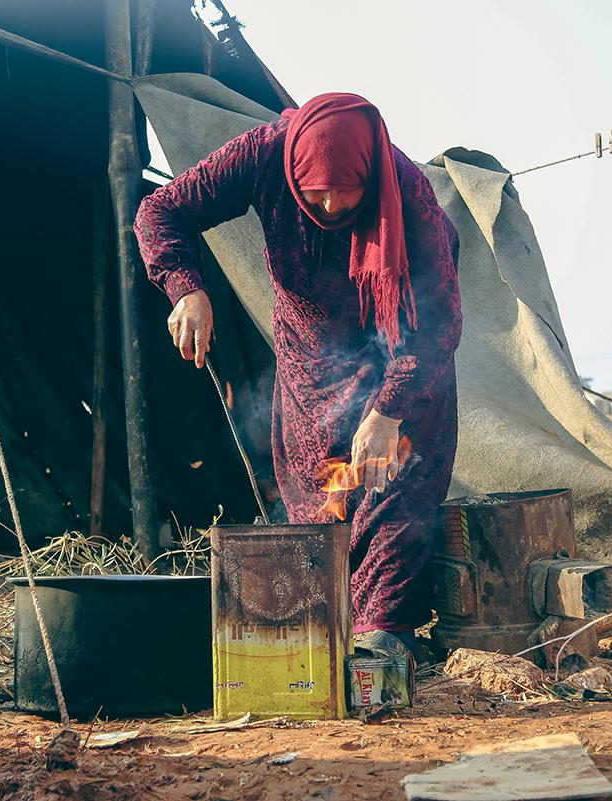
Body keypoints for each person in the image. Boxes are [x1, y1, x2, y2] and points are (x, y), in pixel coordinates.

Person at [134, 93, 462, 657]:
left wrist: (388, 411)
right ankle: (320, 639)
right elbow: (159, 210)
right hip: (309, 370)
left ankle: (385, 641)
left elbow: (439, 322)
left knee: (391, 491)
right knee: (319, 505)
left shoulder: (408, 192)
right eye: (317, 190)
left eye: (347, 188)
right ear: (293, 172)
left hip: (401, 364)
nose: (332, 204)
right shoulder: (263, 154)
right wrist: (186, 288)